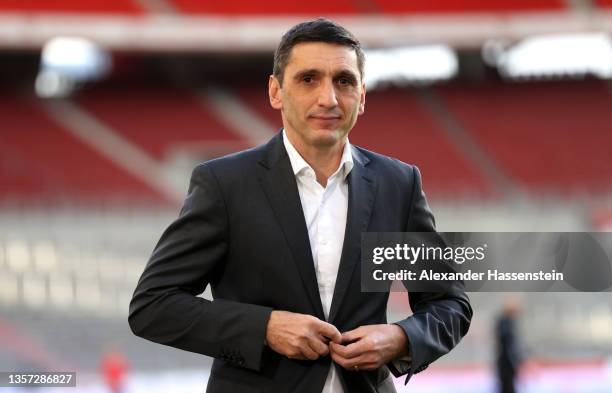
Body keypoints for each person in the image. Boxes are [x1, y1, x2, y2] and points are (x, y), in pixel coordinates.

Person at [129, 18, 472, 393]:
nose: (328, 98)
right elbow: (153, 305)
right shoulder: (225, 184)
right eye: (308, 79)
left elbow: (449, 304)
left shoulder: (399, 184)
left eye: (344, 80)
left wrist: (400, 338)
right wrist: (265, 328)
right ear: (276, 91)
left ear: (362, 97)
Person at [496, 298, 523, 393]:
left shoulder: (505, 322)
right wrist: (516, 362)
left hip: (504, 364)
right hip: (506, 364)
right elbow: (510, 346)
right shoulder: (506, 323)